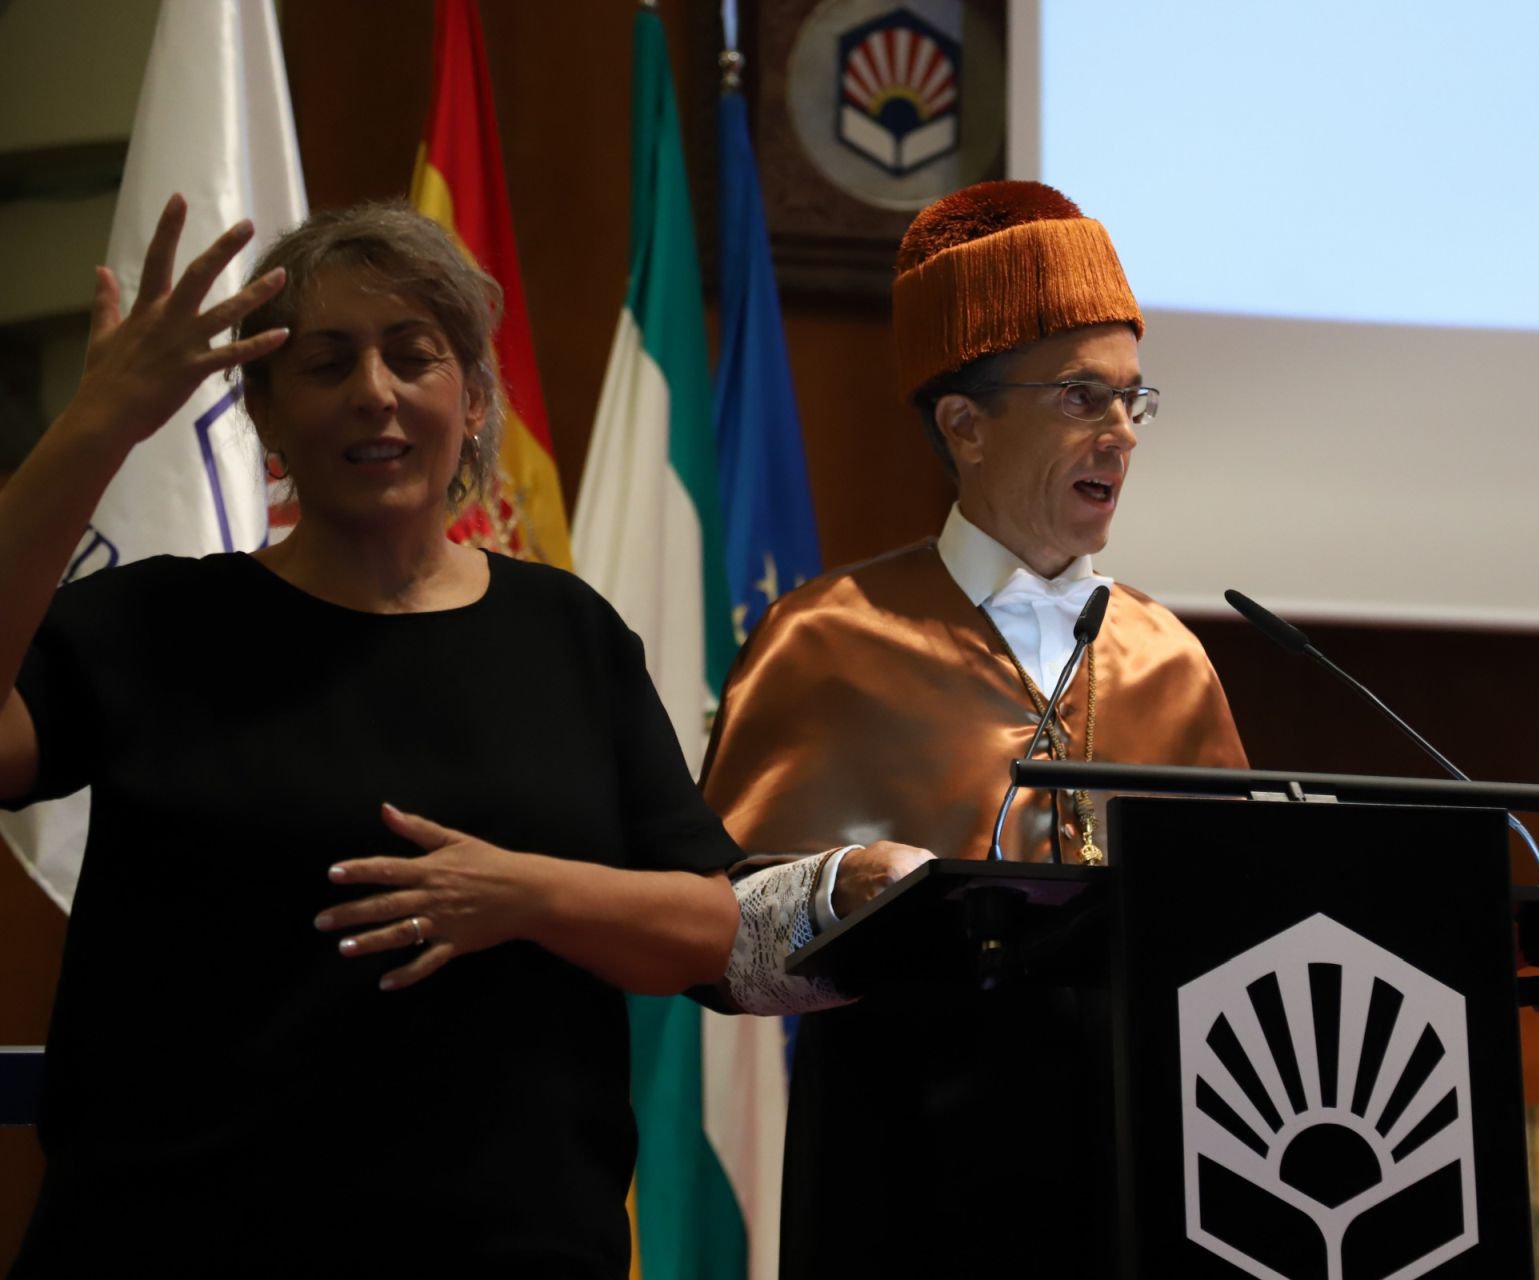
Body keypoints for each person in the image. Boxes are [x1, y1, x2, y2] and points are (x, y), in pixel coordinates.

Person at [0, 198, 881, 1278]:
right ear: (267, 419)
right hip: (173, 1241)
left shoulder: (567, 632)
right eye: (325, 362)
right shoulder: (152, 621)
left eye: (412, 355)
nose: (374, 390)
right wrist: (98, 424)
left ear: (471, 401)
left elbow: (709, 927)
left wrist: (524, 894)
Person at [699, 181, 1248, 1277]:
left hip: (1141, 1178)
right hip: (903, 1172)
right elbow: (717, 943)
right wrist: (837, 887)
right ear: (965, 423)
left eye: (1135, 400)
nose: (1121, 434)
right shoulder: (827, 639)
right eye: (1083, 397)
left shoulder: (1168, 655)